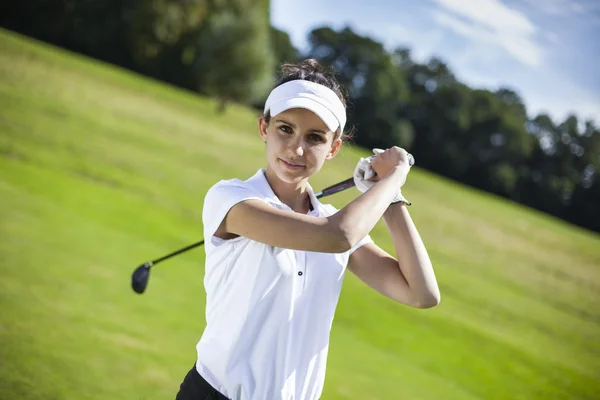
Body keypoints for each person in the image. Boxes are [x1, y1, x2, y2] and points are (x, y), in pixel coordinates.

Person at [175, 59, 440, 400]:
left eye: (315, 137)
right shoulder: (231, 199)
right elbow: (337, 235)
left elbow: (421, 293)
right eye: (285, 129)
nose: (296, 149)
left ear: (333, 148)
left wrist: (391, 196)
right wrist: (394, 176)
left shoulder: (331, 219)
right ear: (263, 128)